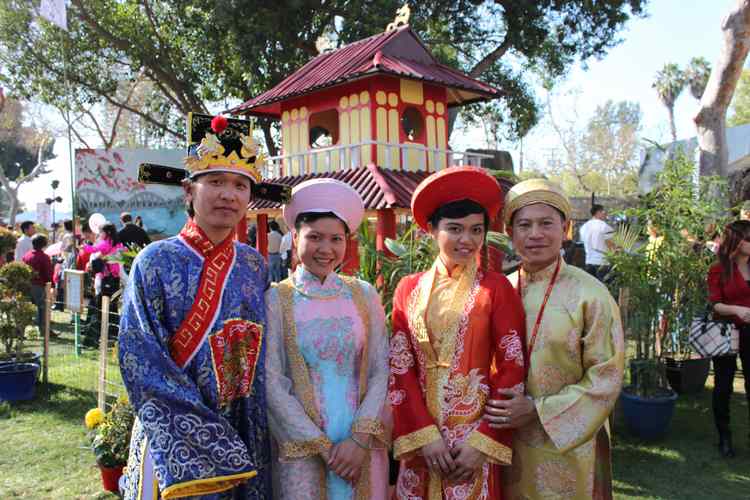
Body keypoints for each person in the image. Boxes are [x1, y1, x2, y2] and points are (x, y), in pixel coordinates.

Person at [117, 114, 283, 499]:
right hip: (176, 430)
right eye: (216, 182)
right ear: (188, 192)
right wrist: (206, 432)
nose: (229, 194)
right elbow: (140, 356)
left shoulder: (253, 264)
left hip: (244, 423)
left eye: (240, 185)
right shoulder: (155, 260)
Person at [389, 166, 526, 499]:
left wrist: (482, 443)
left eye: (476, 230)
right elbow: (400, 366)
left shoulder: (496, 289)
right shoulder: (408, 289)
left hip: (471, 446)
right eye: (454, 229)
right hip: (424, 447)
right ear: (431, 230)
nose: (467, 240)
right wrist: (424, 436)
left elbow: (512, 365)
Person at [484, 179, 624, 499]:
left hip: (565, 445)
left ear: (566, 228)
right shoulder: (495, 292)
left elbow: (607, 376)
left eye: (546, 223)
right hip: (502, 438)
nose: (535, 234)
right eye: (524, 225)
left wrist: (537, 409)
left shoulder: (592, 295)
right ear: (510, 232)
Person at [265, 178, 390, 499]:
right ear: (294, 237)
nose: (326, 249)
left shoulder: (363, 295)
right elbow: (271, 382)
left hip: (361, 446)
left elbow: (381, 368)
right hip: (303, 450)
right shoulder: (276, 299)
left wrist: (360, 439)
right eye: (315, 237)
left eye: (336, 239)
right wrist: (322, 447)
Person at [706, 220, 750, 458]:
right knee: (723, 385)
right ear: (737, 241)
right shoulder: (718, 268)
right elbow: (715, 304)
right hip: (726, 331)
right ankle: (724, 436)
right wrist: (737, 310)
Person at [23, 234, 54, 336]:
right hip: (39, 286)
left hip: (26, 285)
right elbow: (48, 273)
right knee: (43, 309)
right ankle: (44, 330)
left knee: (25, 309)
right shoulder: (44, 257)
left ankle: (20, 330)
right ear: (44, 244)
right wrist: (51, 285)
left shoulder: (26, 255)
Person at [579, 203, 615, 281]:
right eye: (603, 211)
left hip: (589, 262)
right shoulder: (604, 226)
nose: (605, 213)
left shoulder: (583, 227)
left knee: (591, 290)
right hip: (603, 263)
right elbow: (610, 245)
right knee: (605, 289)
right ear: (598, 212)